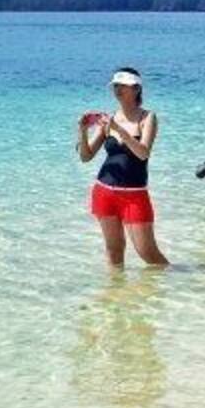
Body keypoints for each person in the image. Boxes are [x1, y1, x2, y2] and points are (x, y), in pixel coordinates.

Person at [76, 68, 168, 267]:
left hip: (134, 195)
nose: (117, 89)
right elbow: (86, 156)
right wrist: (82, 131)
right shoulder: (108, 119)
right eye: (115, 85)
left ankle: (178, 286)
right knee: (114, 250)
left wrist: (119, 130)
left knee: (148, 254)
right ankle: (115, 294)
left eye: (122, 85)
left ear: (136, 88)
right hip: (104, 192)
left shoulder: (147, 118)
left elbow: (143, 153)